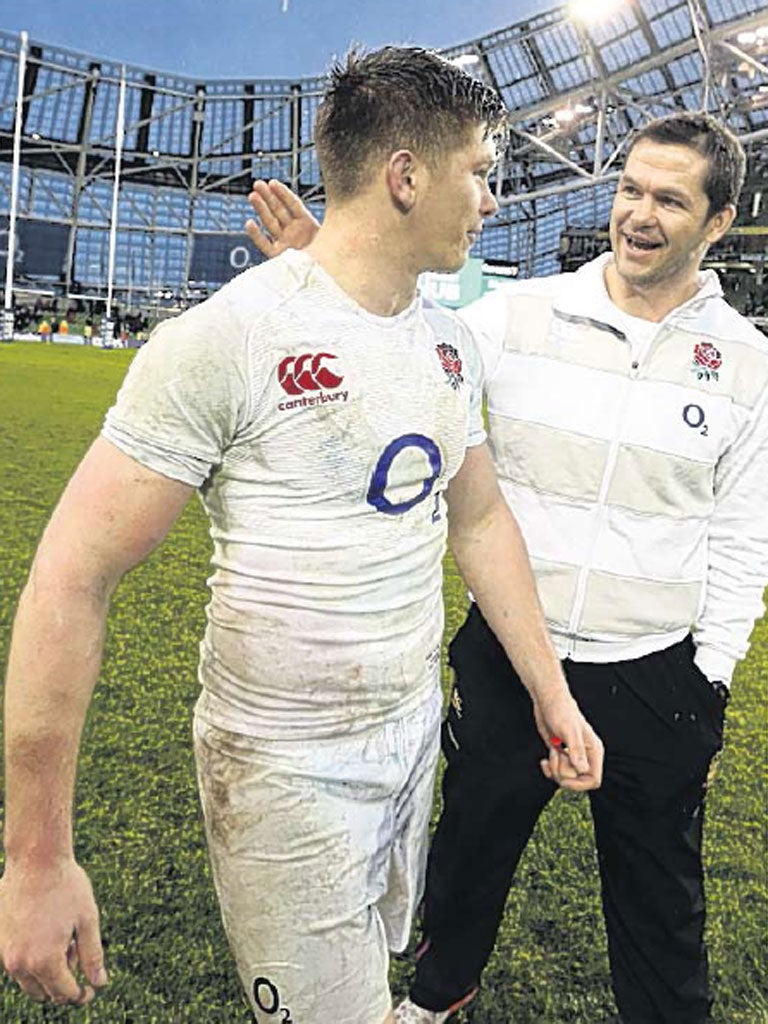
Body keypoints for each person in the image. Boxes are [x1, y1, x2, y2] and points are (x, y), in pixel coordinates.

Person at [0, 47, 603, 1024]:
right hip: (281, 763)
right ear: (406, 176)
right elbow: (71, 576)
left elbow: (481, 518)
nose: (492, 199)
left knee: (375, 952)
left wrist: (551, 691)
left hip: (409, 733)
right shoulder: (227, 340)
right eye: (482, 171)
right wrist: (35, 853)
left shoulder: (451, 347)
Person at [245, 111, 768, 1023]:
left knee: (662, 903)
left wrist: (710, 679)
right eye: (629, 190)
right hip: (510, 659)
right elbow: (398, 348)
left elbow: (742, 532)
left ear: (719, 221)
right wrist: (320, 271)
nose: (637, 216)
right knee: (469, 851)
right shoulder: (519, 316)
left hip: (655, 673)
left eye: (669, 201)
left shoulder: (750, 365)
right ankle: (440, 995)